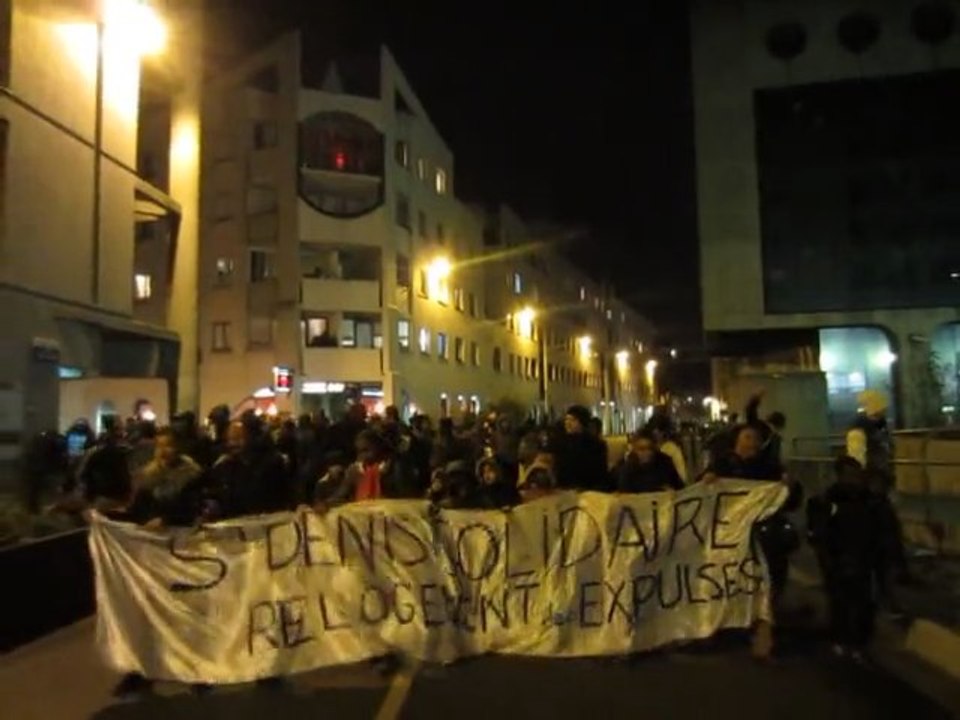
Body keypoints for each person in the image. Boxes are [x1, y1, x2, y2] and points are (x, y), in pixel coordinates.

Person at [808, 456, 886, 661]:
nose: (854, 478)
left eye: (856, 474)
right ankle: (841, 639)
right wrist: (827, 557)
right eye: (849, 474)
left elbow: (882, 529)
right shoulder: (829, 499)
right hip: (838, 558)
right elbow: (820, 531)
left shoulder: (869, 499)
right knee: (840, 601)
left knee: (864, 603)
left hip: (863, 557)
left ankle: (859, 642)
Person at [845, 389, 909, 614]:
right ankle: (882, 593)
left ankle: (890, 583)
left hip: (879, 489)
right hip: (871, 493)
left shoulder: (876, 427)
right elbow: (857, 460)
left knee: (886, 538)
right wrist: (864, 488)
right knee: (879, 542)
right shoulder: (860, 430)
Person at [555, 406, 608, 491]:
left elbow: (599, 473)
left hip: (589, 489)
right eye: (566, 419)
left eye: (572, 420)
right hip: (564, 489)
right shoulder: (561, 443)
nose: (568, 423)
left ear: (582, 423)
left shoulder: (596, 444)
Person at [612, 430, 684, 494]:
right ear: (635, 450)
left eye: (649, 448)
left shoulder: (665, 463)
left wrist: (672, 492)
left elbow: (680, 488)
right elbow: (625, 496)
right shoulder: (627, 468)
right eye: (641, 449)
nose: (646, 453)